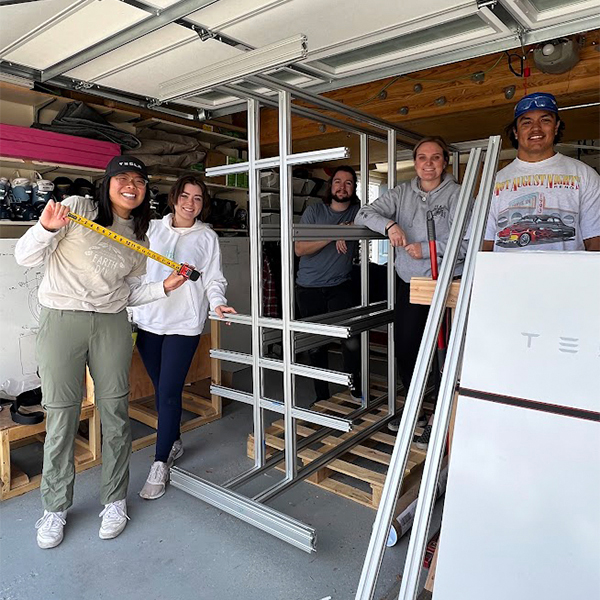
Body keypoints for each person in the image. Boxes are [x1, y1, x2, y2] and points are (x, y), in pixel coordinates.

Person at [15, 156, 187, 549]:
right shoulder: (76, 208)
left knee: (115, 413)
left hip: (110, 323)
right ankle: (55, 507)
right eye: (123, 178)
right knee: (61, 414)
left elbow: (129, 291)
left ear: (145, 191)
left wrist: (165, 286)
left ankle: (114, 500)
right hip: (62, 318)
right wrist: (45, 228)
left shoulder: (139, 237)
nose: (131, 186)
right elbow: (25, 256)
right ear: (106, 183)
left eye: (139, 181)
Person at [130, 174, 236, 500]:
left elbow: (212, 278)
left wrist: (217, 302)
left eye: (198, 199)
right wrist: (132, 308)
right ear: (174, 198)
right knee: (162, 390)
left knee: (169, 393)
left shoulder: (207, 237)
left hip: (184, 324)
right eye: (185, 197)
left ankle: (161, 462)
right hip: (149, 319)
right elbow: (137, 270)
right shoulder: (151, 229)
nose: (190, 204)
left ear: (203, 204)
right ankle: (172, 438)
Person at [355, 136, 464, 443]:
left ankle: (439, 412)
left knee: (445, 350)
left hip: (446, 283)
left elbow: (467, 243)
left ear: (444, 162)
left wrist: (430, 249)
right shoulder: (402, 192)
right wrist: (389, 226)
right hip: (411, 284)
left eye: (435, 158)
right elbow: (363, 214)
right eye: (422, 158)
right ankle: (416, 400)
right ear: (415, 162)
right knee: (405, 347)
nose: (428, 163)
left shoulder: (457, 195)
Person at [483, 91, 600, 252]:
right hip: (507, 276)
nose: (536, 128)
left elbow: (595, 242)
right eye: (526, 122)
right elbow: (484, 245)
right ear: (516, 132)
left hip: (566, 277)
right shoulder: (493, 182)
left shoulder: (584, 175)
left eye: (545, 120)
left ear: (556, 127)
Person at [294, 166, 362, 404]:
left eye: (349, 183)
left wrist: (348, 228)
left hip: (340, 285)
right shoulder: (314, 211)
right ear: (330, 186)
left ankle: (355, 388)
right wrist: (333, 234)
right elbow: (300, 249)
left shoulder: (358, 211)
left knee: (351, 339)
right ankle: (321, 396)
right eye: (338, 182)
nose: (342, 187)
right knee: (316, 345)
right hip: (308, 287)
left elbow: (376, 221)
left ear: (354, 188)